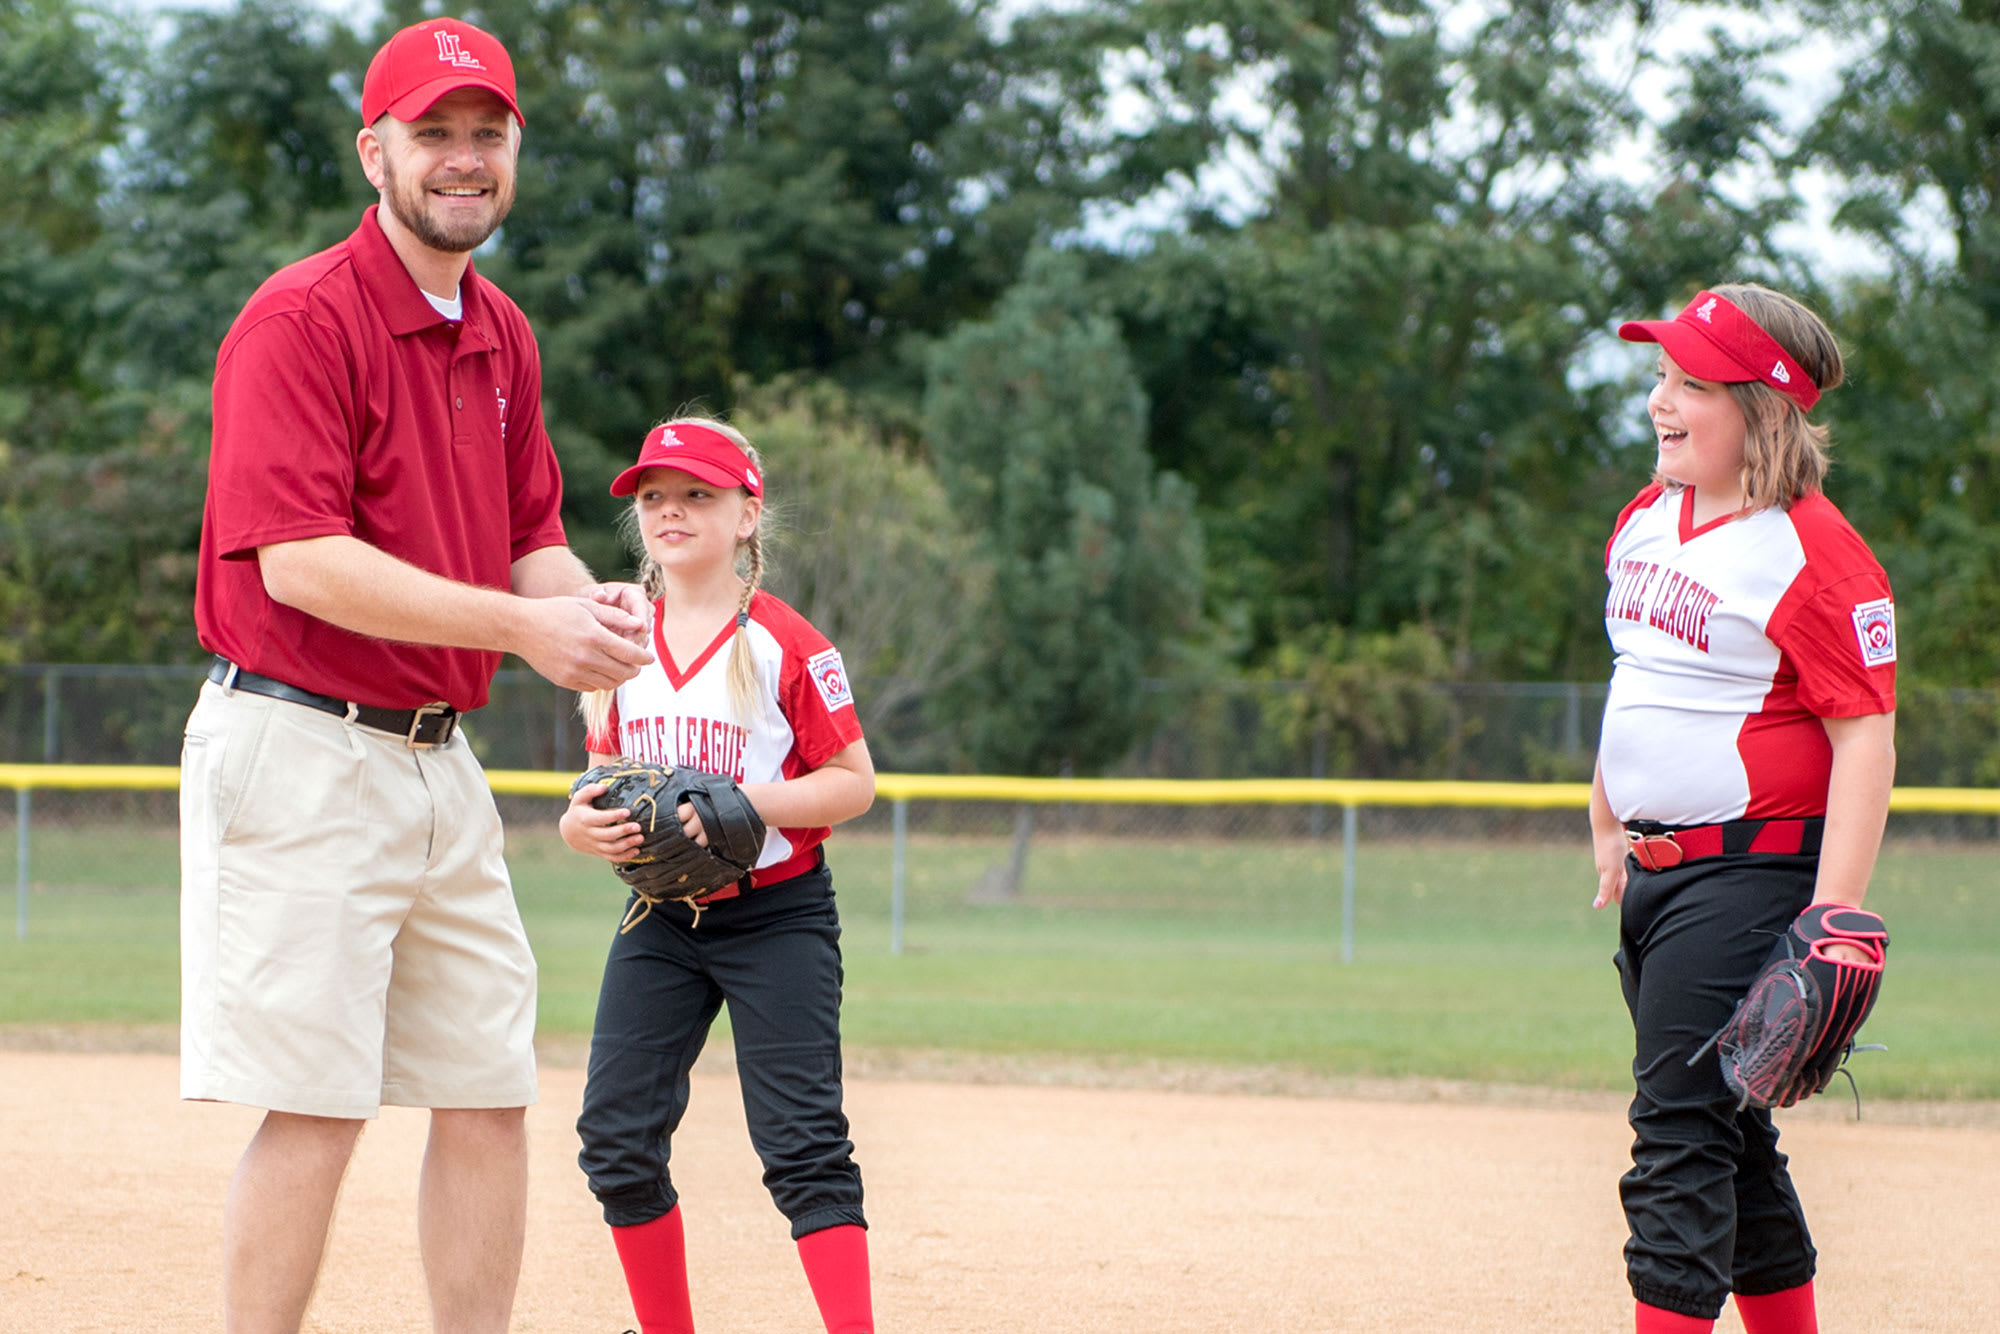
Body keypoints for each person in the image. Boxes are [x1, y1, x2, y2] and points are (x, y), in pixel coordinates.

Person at [180, 16, 654, 1333]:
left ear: (512, 150)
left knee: (488, 1088)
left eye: (484, 133)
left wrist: (599, 618)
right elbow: (300, 562)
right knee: (317, 1105)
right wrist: (522, 628)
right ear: (371, 151)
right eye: (430, 134)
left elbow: (529, 542)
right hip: (300, 746)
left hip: (437, 758)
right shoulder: (301, 320)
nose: (461, 158)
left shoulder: (499, 331)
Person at [1587, 284, 1897, 1334]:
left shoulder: (1811, 550)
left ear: (1762, 407)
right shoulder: (1641, 519)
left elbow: (1863, 729)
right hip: (1658, 874)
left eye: (1689, 384)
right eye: (1661, 376)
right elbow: (1639, 672)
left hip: (1748, 872)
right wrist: (1606, 820)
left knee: (1672, 1132)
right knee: (1727, 1133)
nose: (1658, 400)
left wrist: (1833, 911)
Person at [559, 418, 878, 1334]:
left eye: (697, 494)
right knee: (615, 1144)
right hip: (659, 921)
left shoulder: (787, 642)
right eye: (655, 497)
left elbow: (853, 784)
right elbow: (604, 775)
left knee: (804, 1149)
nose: (671, 511)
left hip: (778, 917)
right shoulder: (618, 636)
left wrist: (749, 802)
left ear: (747, 515)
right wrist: (581, 824)